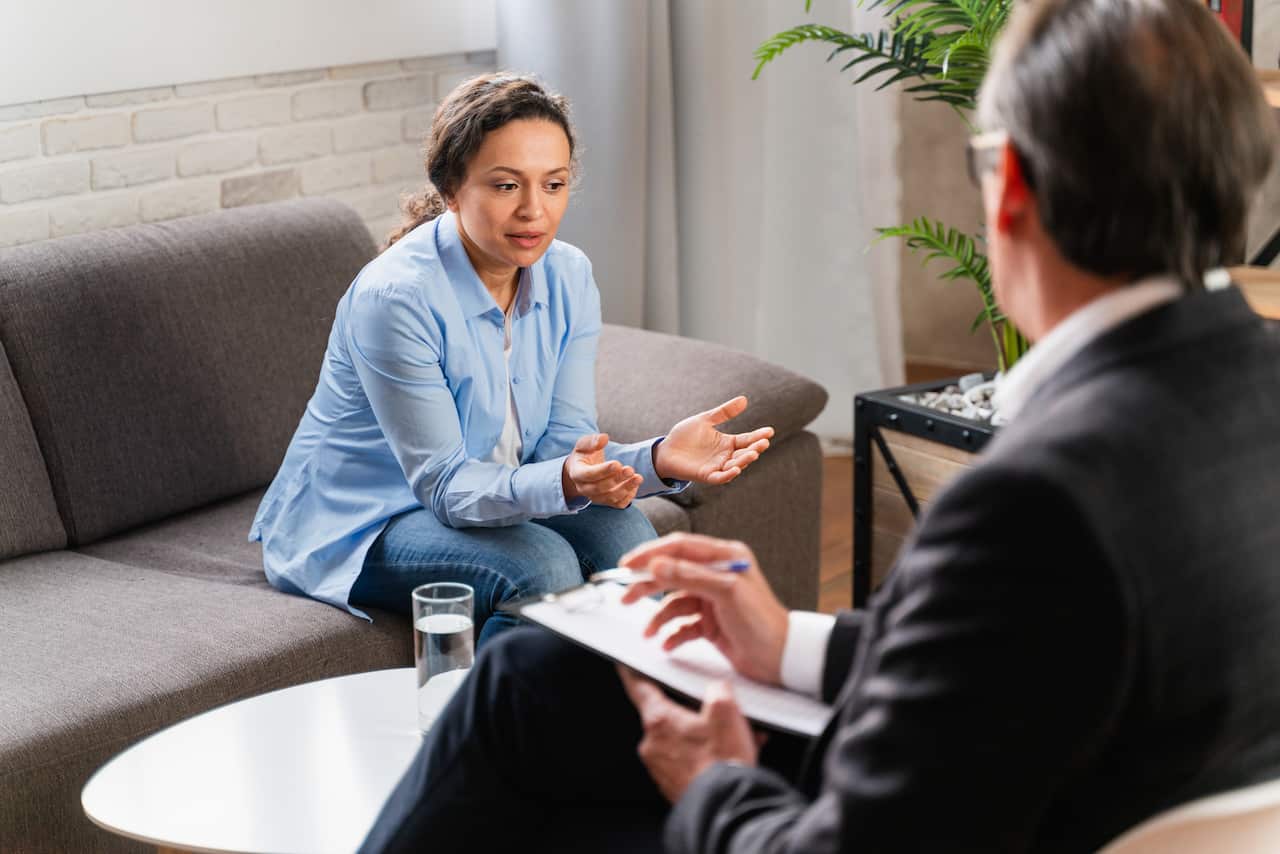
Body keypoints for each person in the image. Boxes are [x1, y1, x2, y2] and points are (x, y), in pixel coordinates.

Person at [359, 0, 1280, 850]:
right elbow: (1008, 666)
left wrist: (715, 786)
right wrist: (789, 640)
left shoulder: (1034, 501)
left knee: (517, 702)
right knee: (542, 683)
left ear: (1010, 188)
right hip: (1066, 790)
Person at [249, 73, 774, 642]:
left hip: (486, 488)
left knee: (633, 549)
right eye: (505, 186)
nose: (534, 211)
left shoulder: (568, 274)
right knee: (540, 567)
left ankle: (623, 725)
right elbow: (447, 486)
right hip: (363, 520)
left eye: (553, 184)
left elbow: (563, 444)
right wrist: (567, 483)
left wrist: (661, 458)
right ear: (452, 190)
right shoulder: (395, 298)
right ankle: (491, 728)